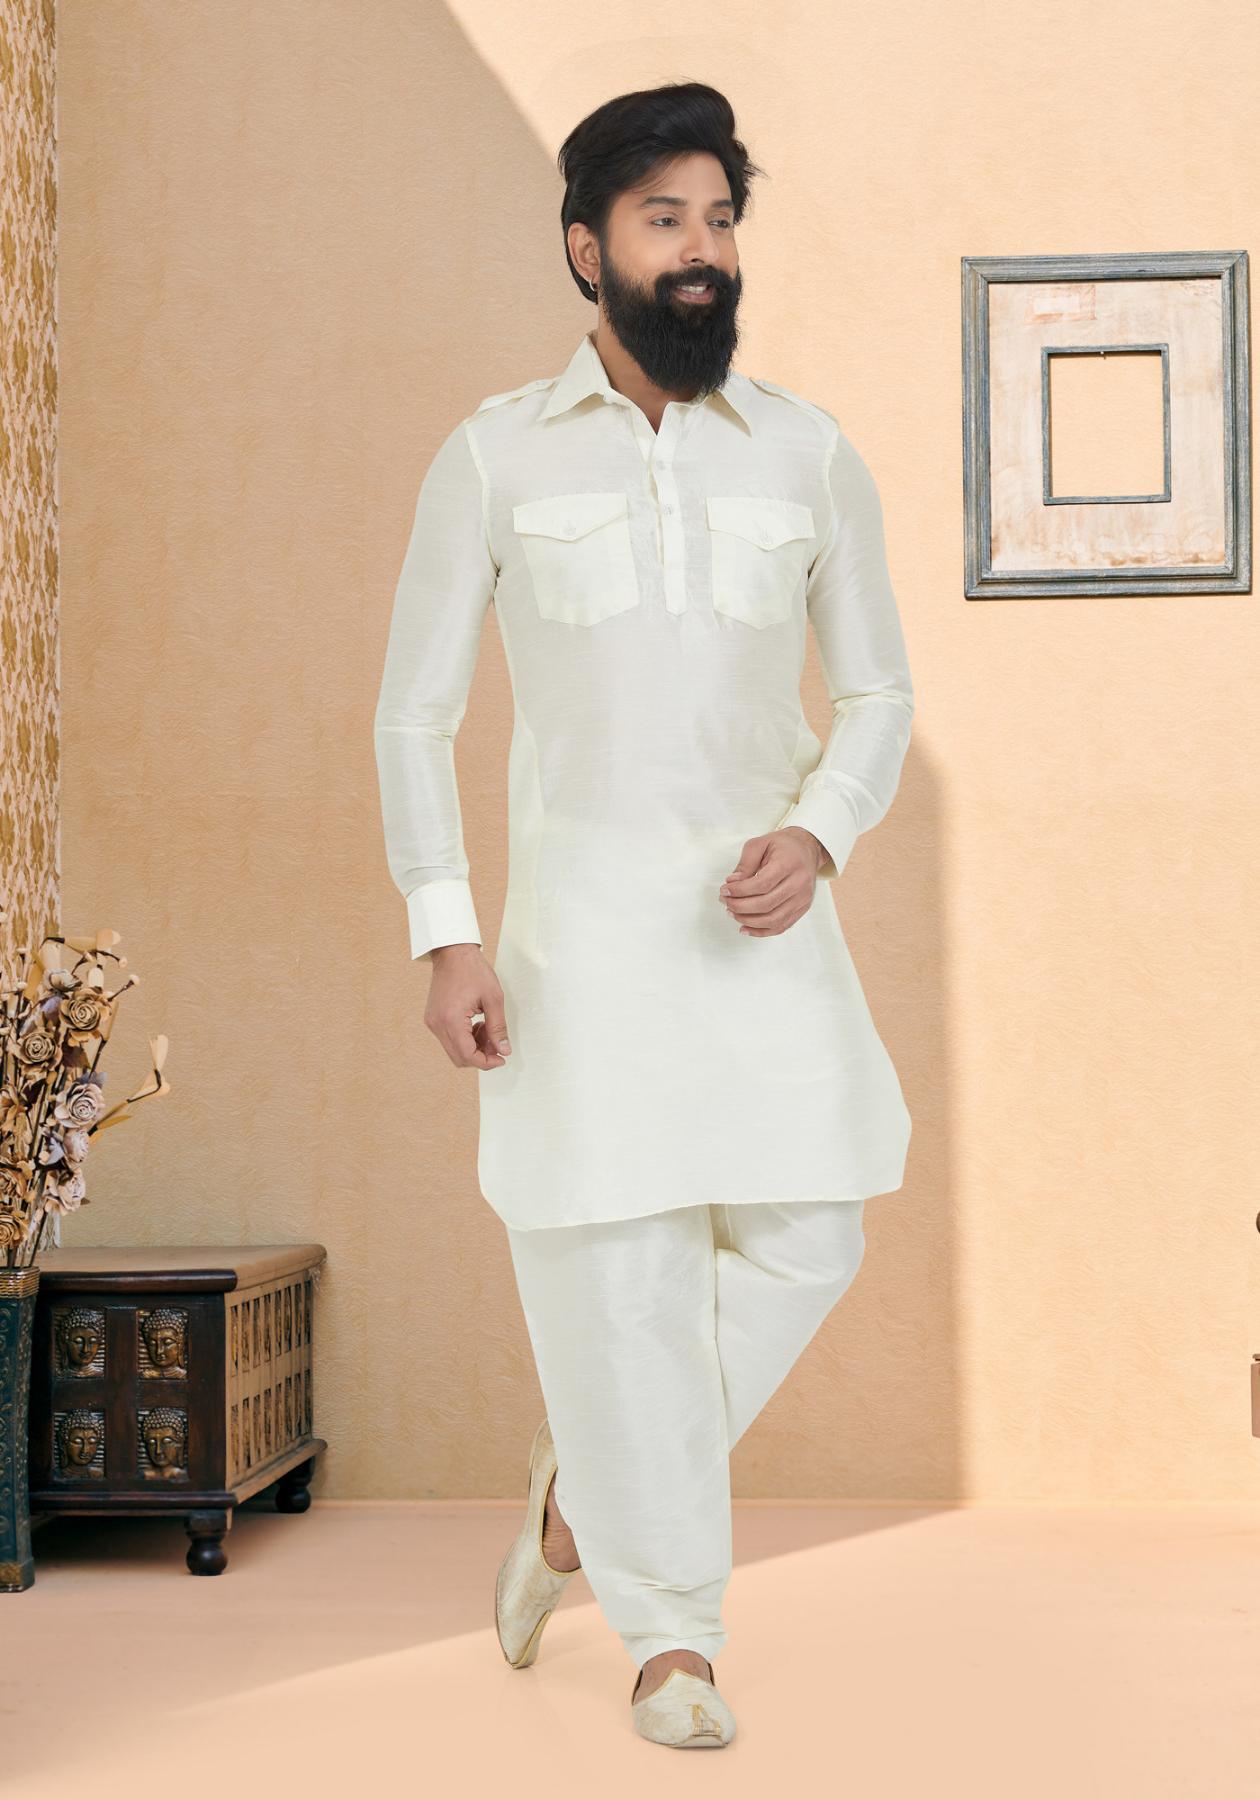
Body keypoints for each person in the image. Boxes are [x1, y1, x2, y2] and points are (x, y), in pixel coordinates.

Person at [373, 81, 915, 1749]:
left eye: (720, 220)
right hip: (578, 955)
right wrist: (446, 928)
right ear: (584, 248)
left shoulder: (810, 451)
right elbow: (412, 715)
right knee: (615, 1284)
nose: (701, 252)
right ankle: (672, 1643)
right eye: (664, 219)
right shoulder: (492, 453)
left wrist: (820, 834)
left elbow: (879, 696)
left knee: (816, 1230)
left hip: (763, 937)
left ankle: (578, 1511)